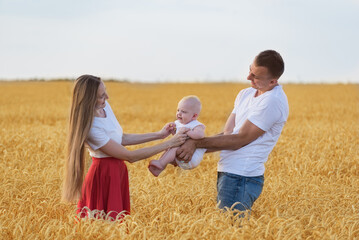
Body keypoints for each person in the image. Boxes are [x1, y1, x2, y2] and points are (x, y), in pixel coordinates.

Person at [176, 50, 289, 214]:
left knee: (232, 229)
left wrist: (194, 144)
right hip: (229, 172)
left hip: (242, 177)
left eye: (255, 76)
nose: (248, 77)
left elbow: (239, 140)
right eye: (250, 70)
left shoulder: (272, 101)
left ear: (272, 81)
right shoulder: (246, 94)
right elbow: (228, 135)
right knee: (228, 227)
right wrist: (186, 149)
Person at [62, 75, 187, 220]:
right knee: (103, 226)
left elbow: (121, 138)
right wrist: (170, 143)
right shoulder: (91, 128)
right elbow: (130, 156)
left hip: (118, 172)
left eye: (105, 92)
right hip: (103, 176)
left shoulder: (104, 108)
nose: (107, 98)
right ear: (89, 100)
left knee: (117, 225)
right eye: (101, 96)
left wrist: (159, 135)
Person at [148, 96, 206, 177]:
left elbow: (200, 135)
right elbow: (179, 137)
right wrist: (173, 131)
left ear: (194, 116)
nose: (179, 113)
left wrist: (188, 131)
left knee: (174, 147)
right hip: (180, 158)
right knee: (169, 147)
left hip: (191, 158)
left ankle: (161, 164)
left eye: (184, 111)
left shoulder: (196, 125)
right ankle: (159, 167)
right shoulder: (179, 123)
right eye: (178, 110)